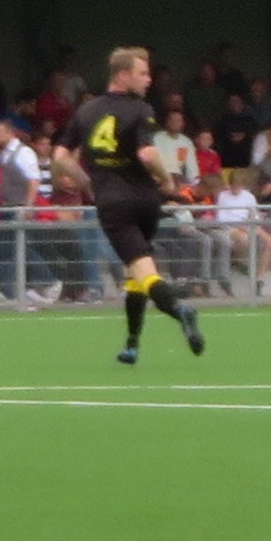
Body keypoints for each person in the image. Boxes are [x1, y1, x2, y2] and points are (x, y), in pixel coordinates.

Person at [83, 46, 206, 363]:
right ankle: (132, 343)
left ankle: (179, 310)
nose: (149, 79)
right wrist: (166, 183)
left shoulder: (89, 110)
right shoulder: (139, 109)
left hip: (116, 203)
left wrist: (86, 182)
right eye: (143, 73)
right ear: (123, 75)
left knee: (143, 271)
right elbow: (146, 154)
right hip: (146, 201)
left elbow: (60, 157)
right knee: (134, 273)